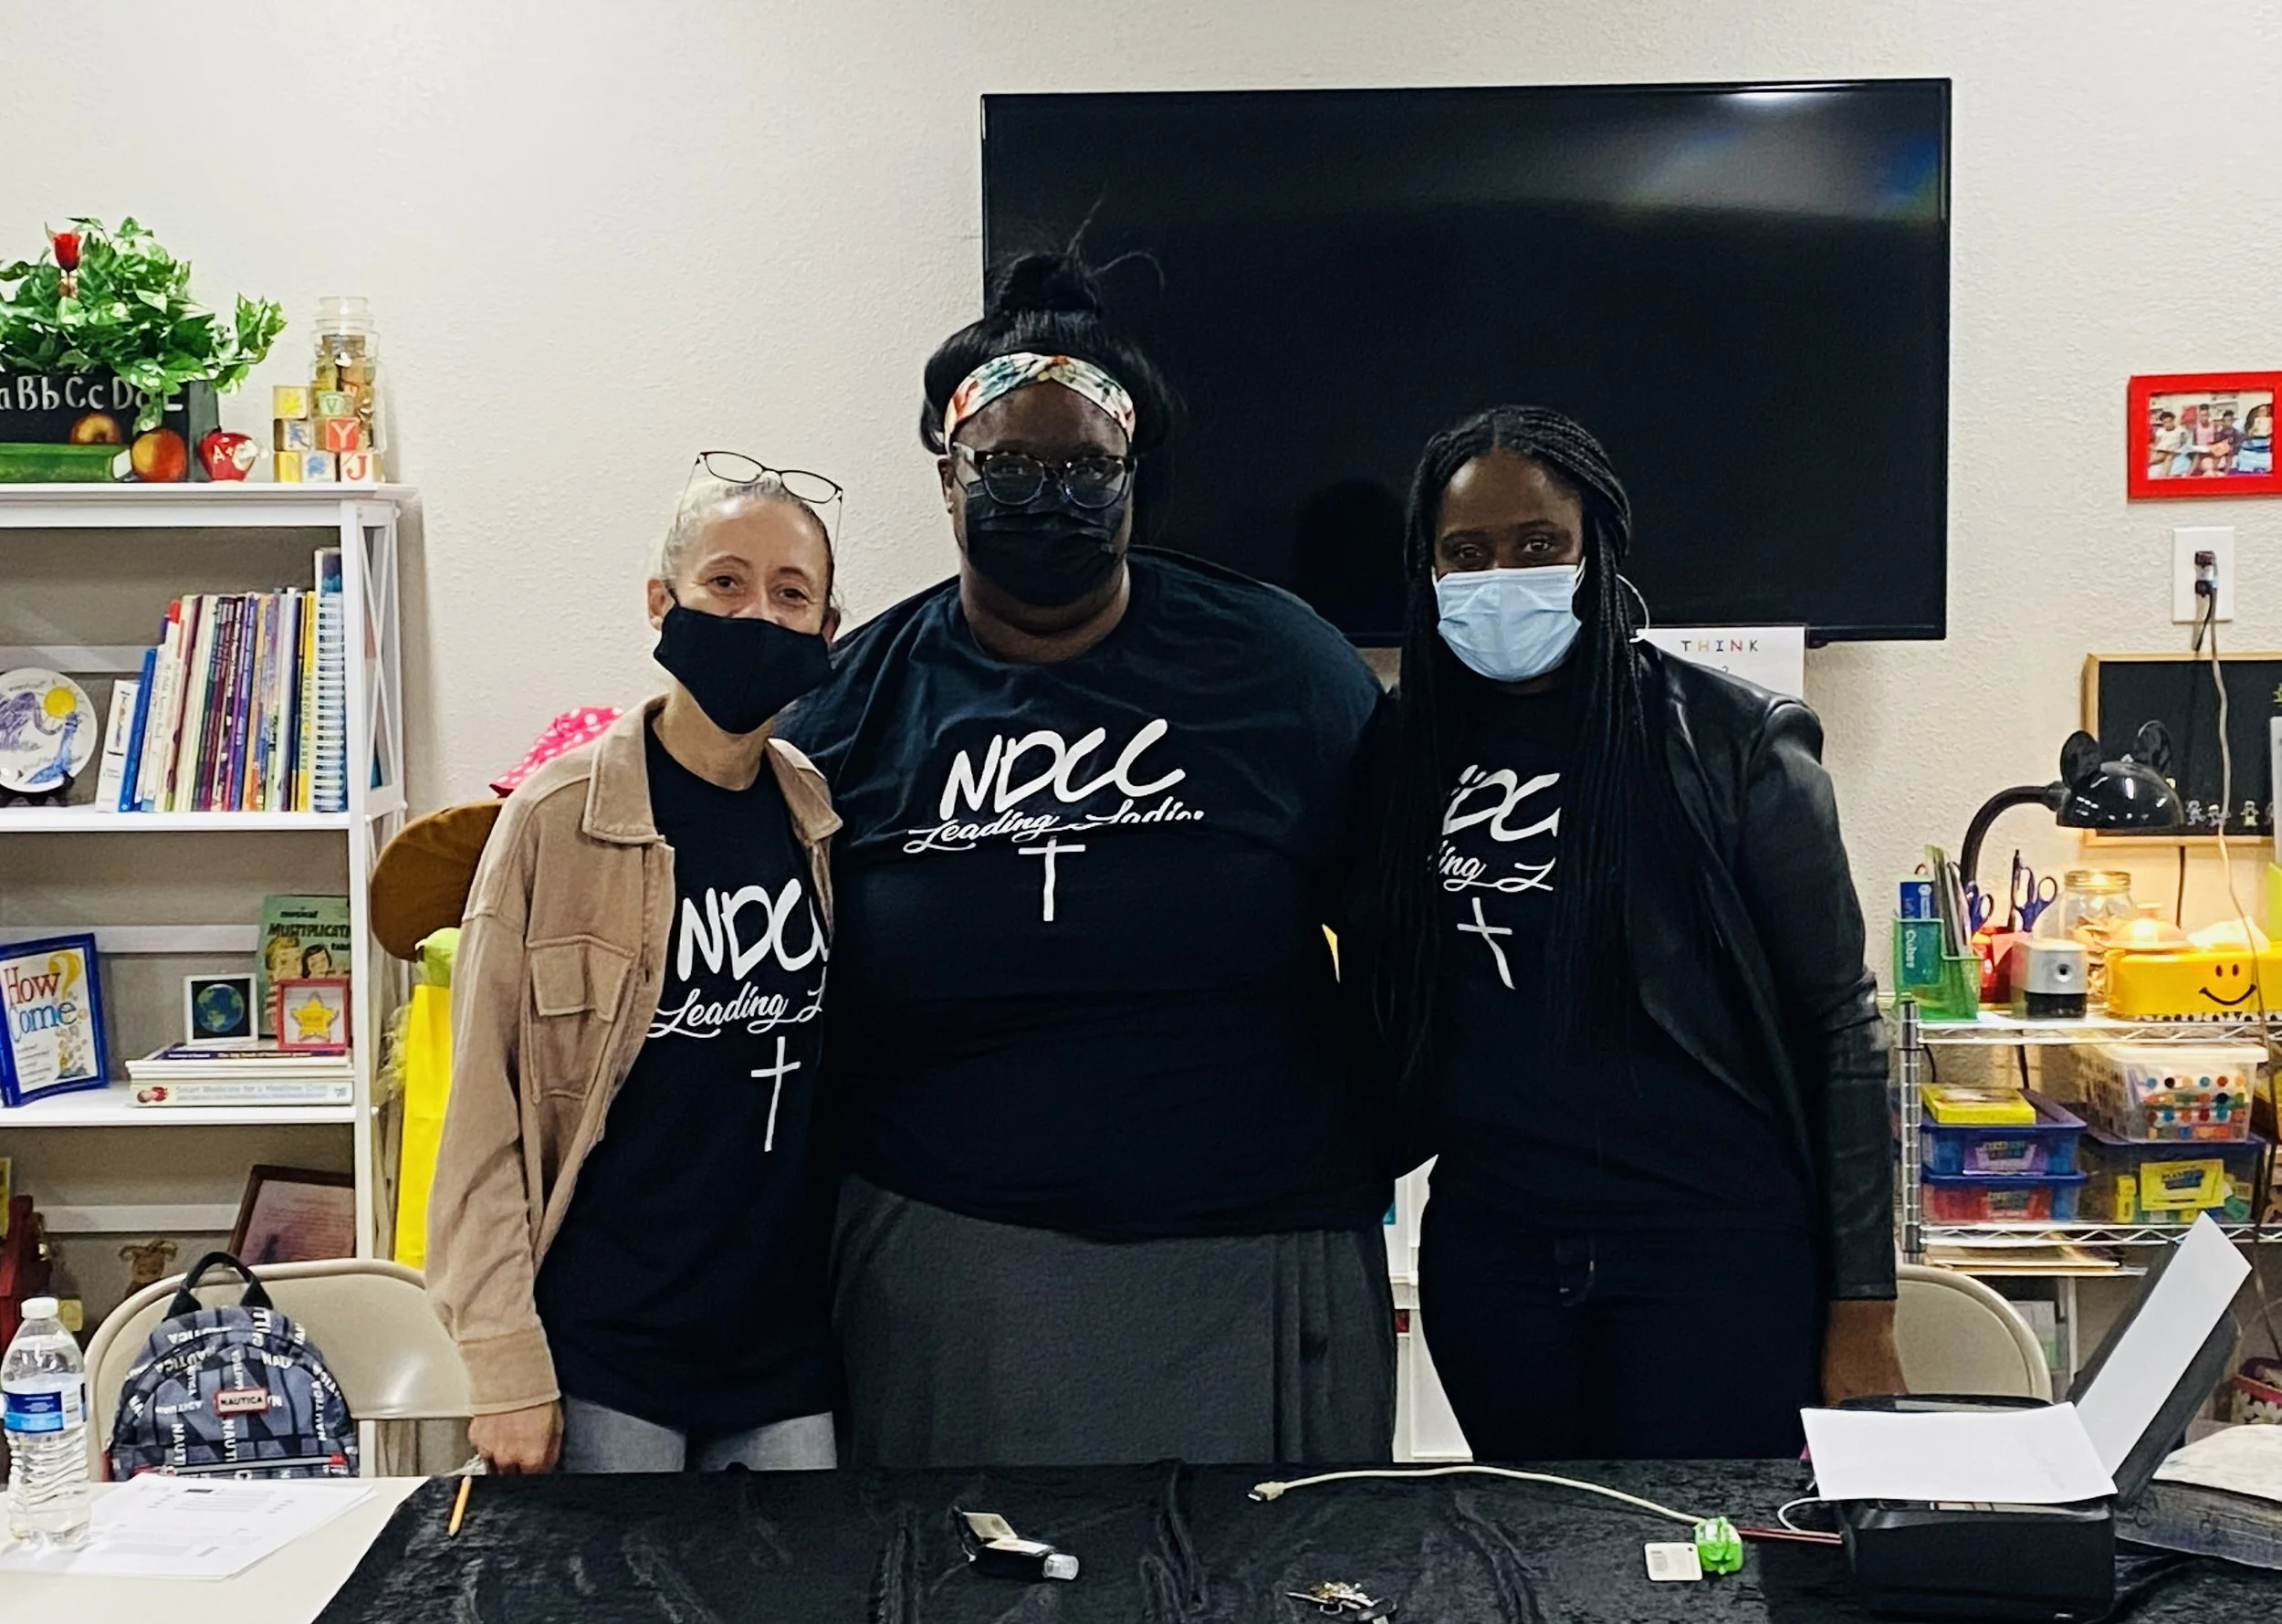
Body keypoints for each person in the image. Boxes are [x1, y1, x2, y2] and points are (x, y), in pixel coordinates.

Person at [776, 254, 1393, 1467]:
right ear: (948, 476)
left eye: (1082, 467)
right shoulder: (851, 706)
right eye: (1007, 464)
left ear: (1133, 478)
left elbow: (1402, 946)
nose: (1044, 494)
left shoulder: (1283, 668)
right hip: (947, 1272)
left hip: (1253, 1255)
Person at [1347, 405, 1900, 1461]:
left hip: (1710, 1256)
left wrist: (1863, 1309)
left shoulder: (1734, 743)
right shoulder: (1403, 748)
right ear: (1426, 571)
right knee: (1541, 1547)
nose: (1500, 573)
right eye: (1464, 553)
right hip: (1495, 1261)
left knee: (1706, 1584)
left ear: (1595, 551)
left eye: (1537, 545)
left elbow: (1839, 1022)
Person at [425, 461, 844, 1474]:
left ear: (829, 631)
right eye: (725, 584)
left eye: (792, 595)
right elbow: (481, 1108)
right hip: (605, 1358)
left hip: (779, 1356)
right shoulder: (557, 819)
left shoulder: (815, 814)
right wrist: (504, 1370)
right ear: (663, 603)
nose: (758, 615)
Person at [2239, 403, 2274, 476]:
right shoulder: (2251, 422)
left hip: (2266, 452)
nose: (2264, 413)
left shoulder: (2271, 421)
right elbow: (2245, 437)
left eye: (2266, 411)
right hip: (2251, 452)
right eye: (2261, 411)